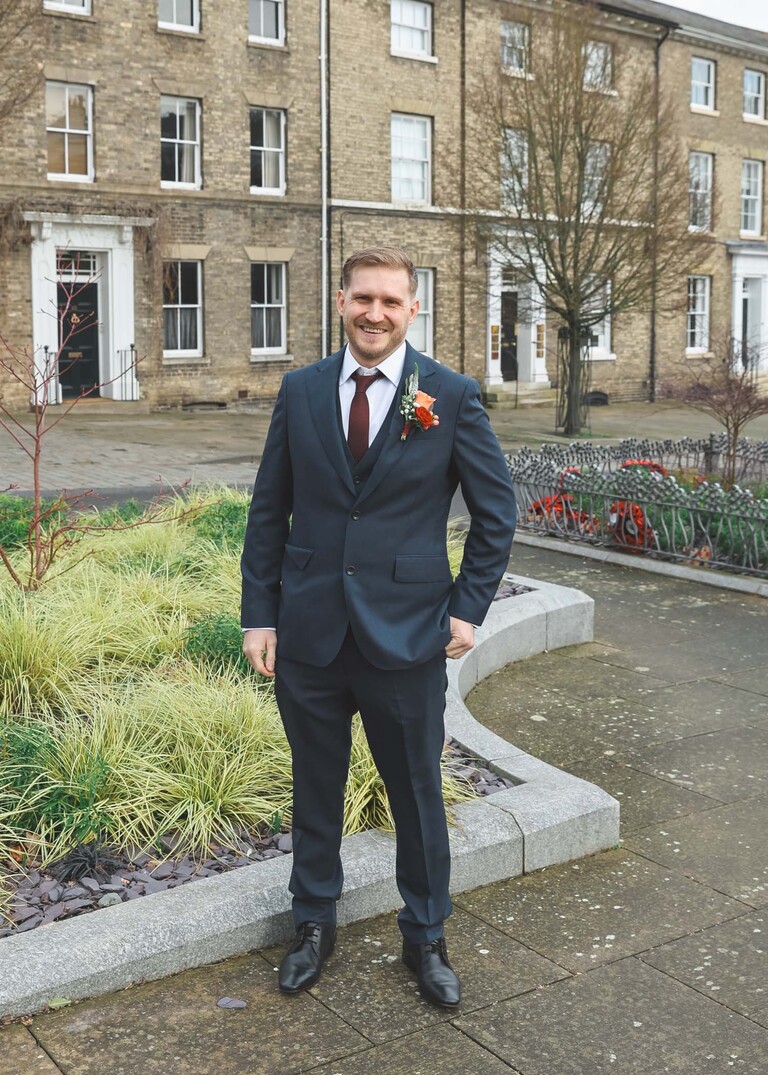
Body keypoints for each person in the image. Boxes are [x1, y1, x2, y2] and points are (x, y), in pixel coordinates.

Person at [241, 246, 516, 1009]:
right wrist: (259, 614)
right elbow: (269, 512)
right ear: (341, 301)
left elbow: (496, 515)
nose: (375, 313)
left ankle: (425, 936)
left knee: (417, 793)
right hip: (311, 634)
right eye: (363, 298)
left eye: (391, 302)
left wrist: (466, 607)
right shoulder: (299, 392)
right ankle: (313, 924)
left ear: (411, 309)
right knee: (315, 787)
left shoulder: (451, 397)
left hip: (407, 636)